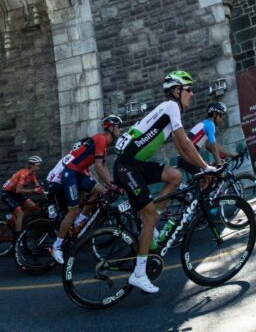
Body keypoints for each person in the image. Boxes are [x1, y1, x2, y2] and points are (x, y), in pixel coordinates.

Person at [113, 70, 214, 294]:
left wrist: (200, 168)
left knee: (175, 176)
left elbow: (181, 147)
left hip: (135, 165)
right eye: (189, 90)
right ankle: (139, 273)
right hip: (127, 167)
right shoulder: (171, 107)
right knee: (149, 217)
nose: (192, 94)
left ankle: (152, 221)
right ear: (177, 91)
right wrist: (206, 167)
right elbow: (186, 144)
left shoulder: (169, 112)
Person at [51, 116, 122, 264]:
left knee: (100, 192)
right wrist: (111, 185)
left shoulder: (105, 145)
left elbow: (104, 167)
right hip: (70, 173)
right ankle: (56, 246)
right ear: (111, 128)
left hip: (79, 173)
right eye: (118, 127)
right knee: (73, 210)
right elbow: (98, 167)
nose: (120, 130)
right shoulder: (101, 139)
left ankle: (79, 223)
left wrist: (111, 184)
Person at [180, 102, 239, 174]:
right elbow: (213, 146)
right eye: (221, 116)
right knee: (208, 177)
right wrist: (219, 163)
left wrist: (230, 155)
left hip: (187, 156)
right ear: (214, 115)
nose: (221, 120)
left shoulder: (206, 124)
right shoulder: (210, 125)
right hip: (188, 157)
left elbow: (209, 146)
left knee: (210, 170)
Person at [0, 156, 44, 235]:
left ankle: (19, 222)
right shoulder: (24, 173)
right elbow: (18, 190)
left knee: (35, 207)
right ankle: (18, 237)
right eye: (38, 165)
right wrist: (33, 190)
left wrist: (45, 192)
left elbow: (38, 186)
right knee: (20, 213)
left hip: (16, 193)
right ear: (32, 165)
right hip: (7, 193)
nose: (39, 167)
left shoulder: (32, 174)